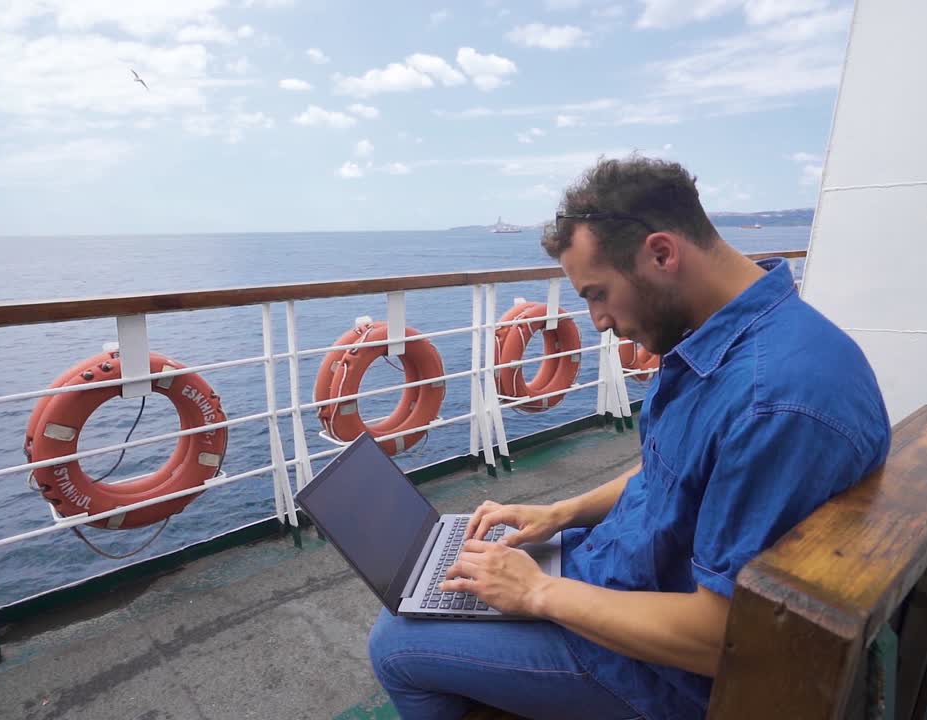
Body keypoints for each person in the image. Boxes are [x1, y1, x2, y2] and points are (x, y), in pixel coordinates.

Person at [368, 155, 891, 720]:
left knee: (396, 643)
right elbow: (674, 473)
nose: (596, 320)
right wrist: (562, 514)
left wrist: (538, 593)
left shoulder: (775, 402)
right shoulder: (736, 338)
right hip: (625, 569)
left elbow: (728, 639)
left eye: (597, 293)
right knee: (452, 579)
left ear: (662, 254)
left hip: (660, 671)